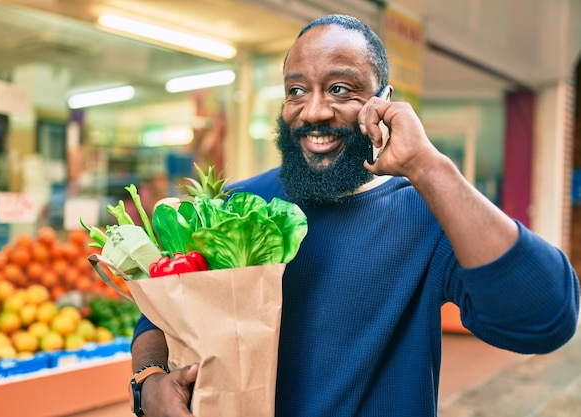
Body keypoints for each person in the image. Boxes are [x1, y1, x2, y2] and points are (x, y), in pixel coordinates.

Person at [129, 14, 579, 417]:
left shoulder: (425, 213)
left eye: (340, 89)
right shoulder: (237, 207)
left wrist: (428, 166)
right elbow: (162, 313)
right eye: (296, 91)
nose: (314, 111)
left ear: (384, 101)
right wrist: (148, 383)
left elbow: (545, 319)